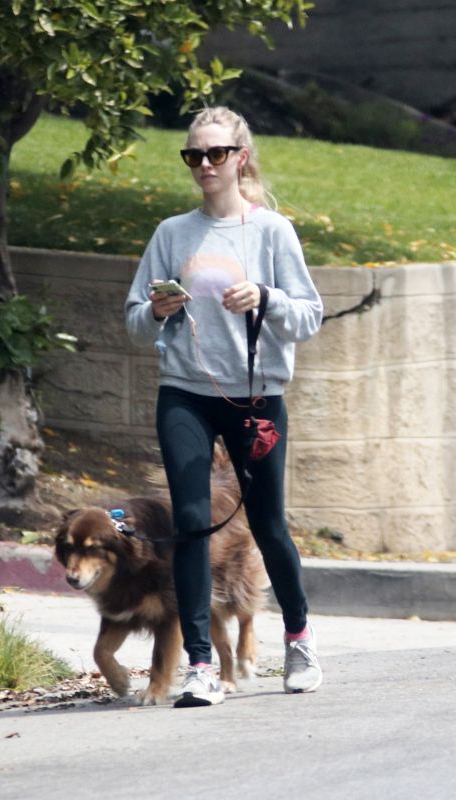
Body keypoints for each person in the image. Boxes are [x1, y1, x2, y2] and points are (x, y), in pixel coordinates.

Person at [125, 106, 323, 708]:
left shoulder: (272, 233)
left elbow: (309, 315)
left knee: (267, 523)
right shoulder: (171, 233)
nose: (204, 165)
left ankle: (298, 638)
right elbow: (134, 320)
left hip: (256, 397)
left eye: (215, 154)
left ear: (240, 158)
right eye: (193, 156)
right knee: (190, 523)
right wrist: (157, 311)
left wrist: (265, 297)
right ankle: (202, 666)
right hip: (185, 391)